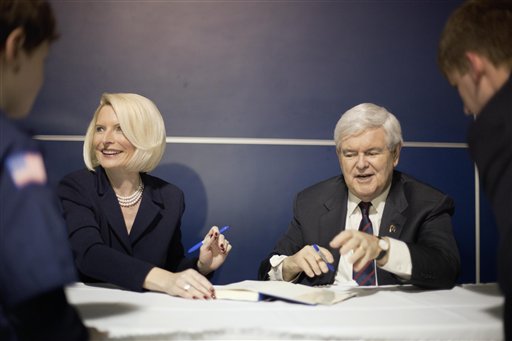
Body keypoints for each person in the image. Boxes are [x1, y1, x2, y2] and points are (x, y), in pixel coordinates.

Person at [258, 103, 460, 289]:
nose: (361, 164)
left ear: (395, 154)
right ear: (339, 157)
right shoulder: (311, 202)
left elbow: (446, 270)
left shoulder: (427, 203)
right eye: (350, 154)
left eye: (372, 153)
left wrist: (383, 250)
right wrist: (291, 265)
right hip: (329, 318)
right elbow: (265, 273)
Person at [57, 93, 232, 299]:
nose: (105, 140)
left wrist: (201, 266)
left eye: (120, 129)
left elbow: (170, 267)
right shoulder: (77, 186)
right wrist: (165, 280)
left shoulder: (171, 197)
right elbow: (89, 254)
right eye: (100, 129)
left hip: (148, 314)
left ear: (145, 136)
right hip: (91, 310)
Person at [0, 0, 88, 339]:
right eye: (43, 61)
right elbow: (40, 303)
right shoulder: (14, 154)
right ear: (17, 46)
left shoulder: (169, 198)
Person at [437, 0, 512, 339]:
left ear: (474, 65)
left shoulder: (499, 124)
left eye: (458, 87)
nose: (466, 108)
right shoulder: (310, 202)